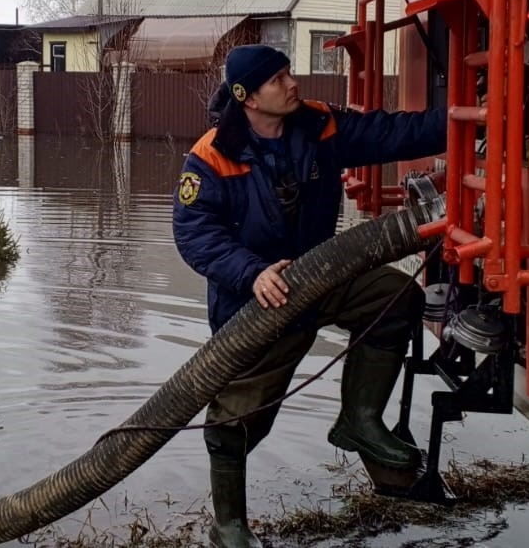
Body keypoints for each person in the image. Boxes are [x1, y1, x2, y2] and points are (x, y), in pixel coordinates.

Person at [172, 44, 448, 547]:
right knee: (234, 420)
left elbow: (393, 133)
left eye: (287, 73)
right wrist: (253, 274)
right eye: (277, 80)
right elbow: (195, 236)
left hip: (321, 278)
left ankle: (360, 420)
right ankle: (228, 526)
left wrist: (470, 119)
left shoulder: (319, 125)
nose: (292, 83)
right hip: (259, 302)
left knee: (395, 298)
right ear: (247, 98)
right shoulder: (210, 158)